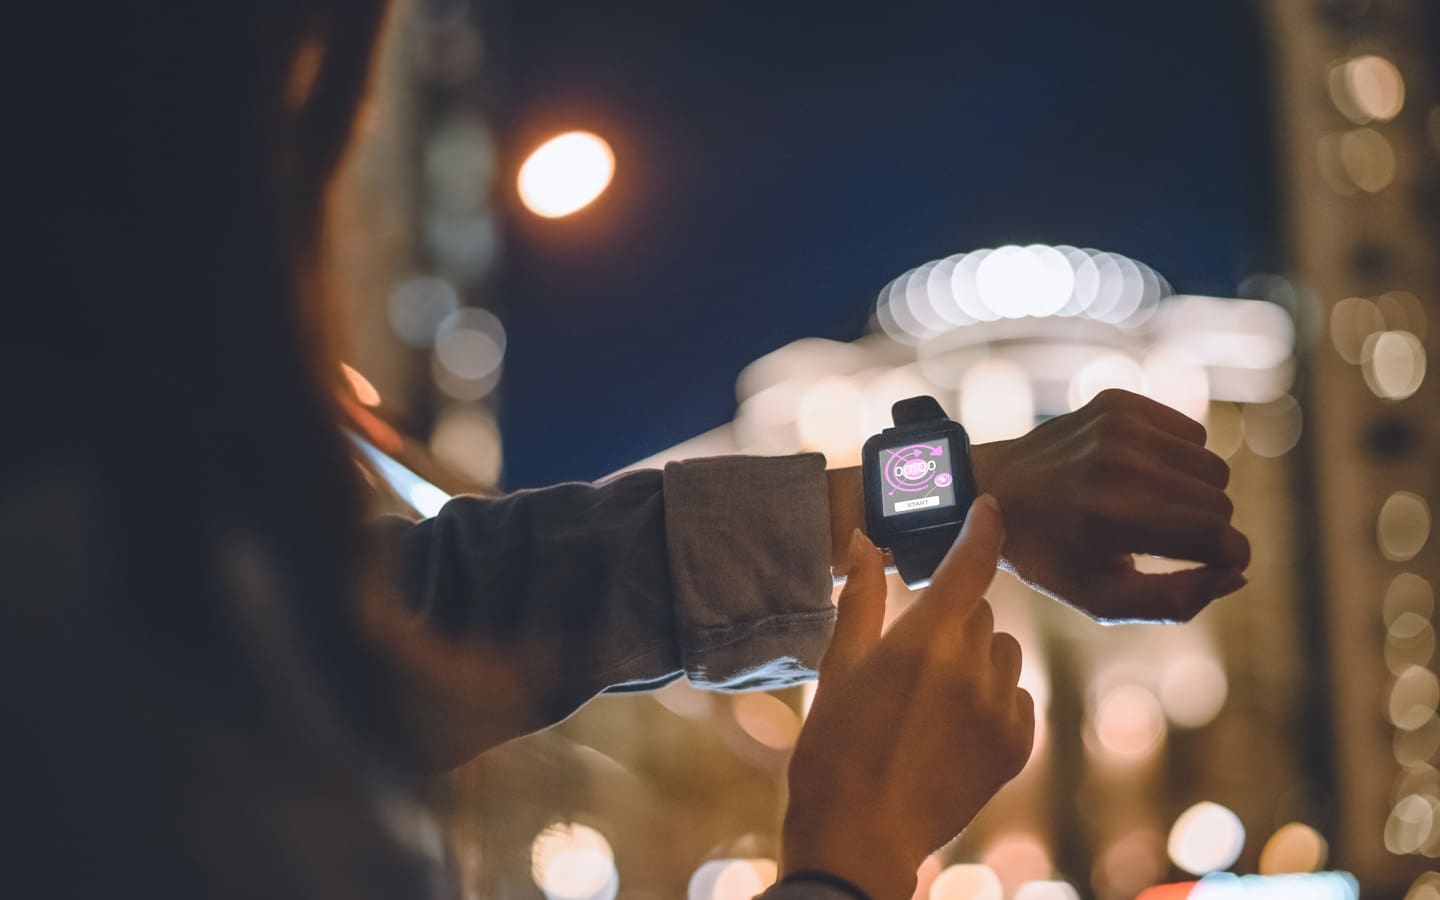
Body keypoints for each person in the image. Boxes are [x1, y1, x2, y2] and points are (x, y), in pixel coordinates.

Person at [0, 3, 1248, 899]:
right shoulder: (98, 597)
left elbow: (476, 587)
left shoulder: (128, 535)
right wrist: (854, 847)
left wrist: (949, 488)